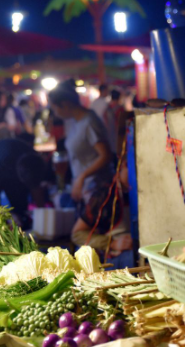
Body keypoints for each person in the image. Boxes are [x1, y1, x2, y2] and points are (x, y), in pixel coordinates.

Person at [48, 83, 133, 268]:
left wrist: (81, 177)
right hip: (88, 189)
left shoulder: (89, 121)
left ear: (64, 104)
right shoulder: (75, 123)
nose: (54, 112)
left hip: (97, 186)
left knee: (102, 235)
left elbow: (104, 155)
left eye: (54, 107)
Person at [0, 138, 47, 229]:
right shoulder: (1, 163)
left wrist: (43, 220)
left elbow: (36, 189)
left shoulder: (35, 161)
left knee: (21, 213)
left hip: (15, 164)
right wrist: (7, 214)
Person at [103, 89, 125, 155]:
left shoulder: (107, 108)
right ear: (119, 97)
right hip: (118, 135)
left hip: (109, 134)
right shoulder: (120, 109)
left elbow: (105, 120)